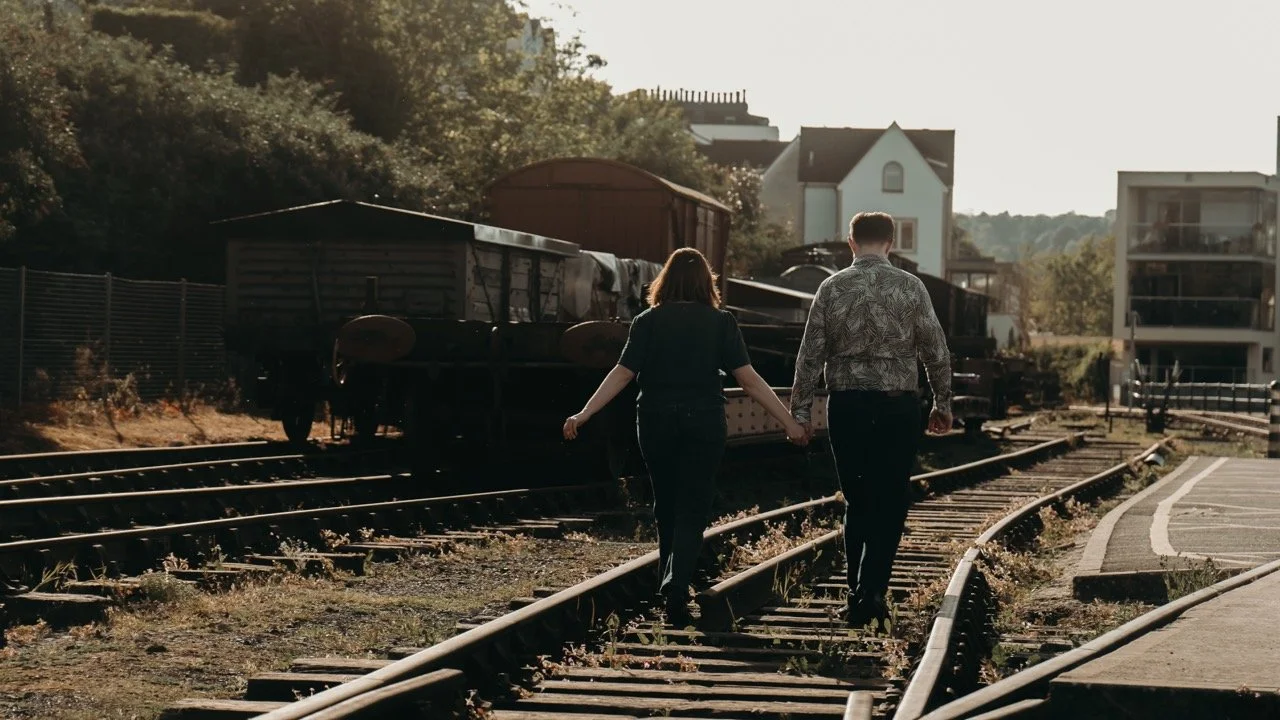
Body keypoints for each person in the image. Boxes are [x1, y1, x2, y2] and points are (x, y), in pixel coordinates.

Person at [563, 247, 808, 627]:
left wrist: (585, 412)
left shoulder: (646, 322)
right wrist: (788, 422)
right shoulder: (721, 323)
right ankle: (676, 586)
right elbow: (749, 379)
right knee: (693, 506)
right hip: (704, 423)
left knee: (666, 505)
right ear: (704, 283)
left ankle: (671, 582)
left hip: (656, 421)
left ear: (665, 280)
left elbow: (622, 374)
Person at [790, 211, 953, 631]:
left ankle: (854, 593)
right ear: (890, 242)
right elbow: (936, 349)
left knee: (858, 498)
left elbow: (810, 355)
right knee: (891, 498)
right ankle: (873, 590)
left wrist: (801, 412)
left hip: (848, 406)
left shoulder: (830, 287)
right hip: (898, 408)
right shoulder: (911, 287)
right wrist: (942, 403)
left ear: (851, 242)